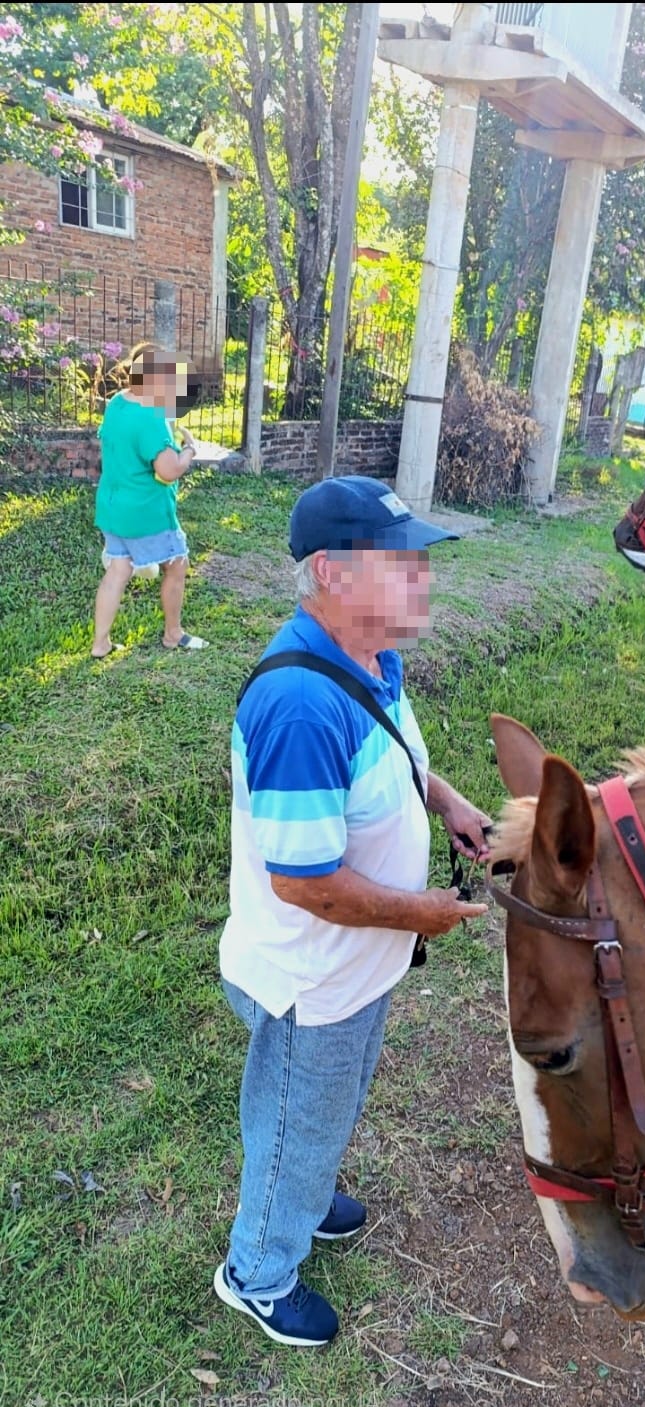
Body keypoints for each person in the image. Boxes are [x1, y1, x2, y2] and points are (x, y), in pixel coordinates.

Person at [214, 475, 491, 1347]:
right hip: (310, 976)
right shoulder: (298, 704)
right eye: (403, 564)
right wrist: (421, 912)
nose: (424, 580)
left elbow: (402, 755)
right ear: (331, 574)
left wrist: (444, 802)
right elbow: (306, 882)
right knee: (296, 1112)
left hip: (355, 967)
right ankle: (257, 1269)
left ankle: (304, 1180)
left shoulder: (372, 657)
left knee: (325, 1105)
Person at [91, 343, 207, 658]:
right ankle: (173, 634)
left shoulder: (116, 404)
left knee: (118, 570)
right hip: (146, 513)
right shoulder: (151, 416)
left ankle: (100, 643)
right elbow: (169, 471)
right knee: (177, 565)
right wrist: (189, 450)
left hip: (113, 508)